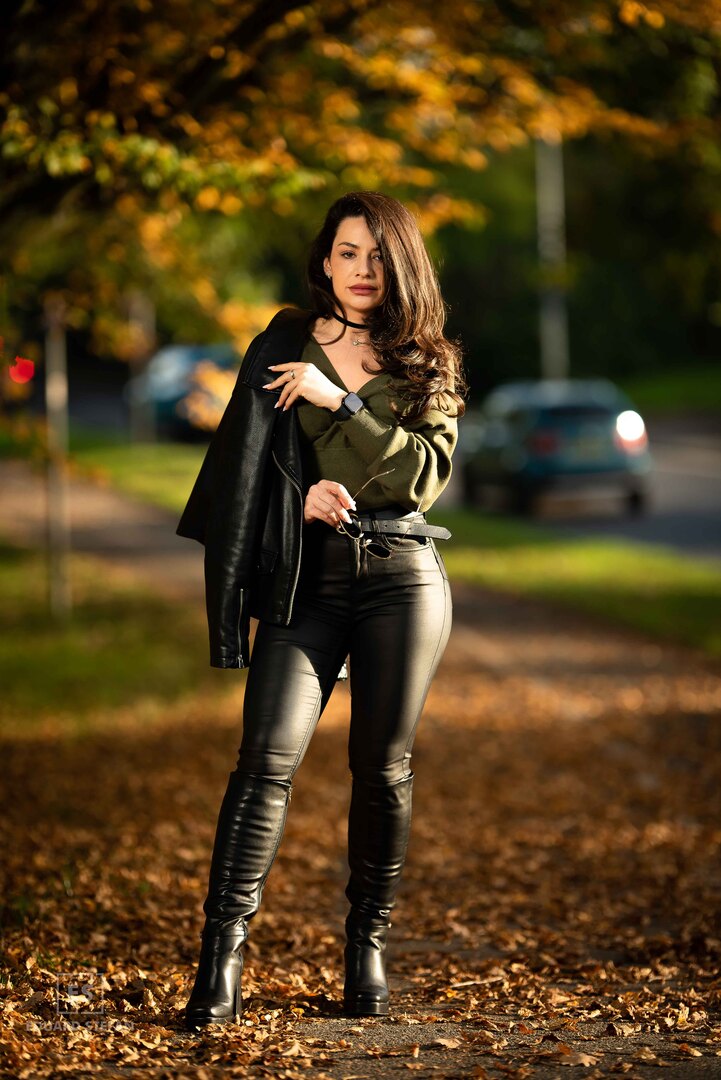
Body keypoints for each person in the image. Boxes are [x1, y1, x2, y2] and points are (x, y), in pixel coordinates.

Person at [181, 190, 467, 1030]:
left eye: (378, 255)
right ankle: (221, 961)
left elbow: (417, 477)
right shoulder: (283, 344)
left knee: (380, 768)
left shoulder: (428, 362)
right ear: (324, 261)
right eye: (348, 253)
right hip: (307, 578)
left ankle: (365, 947)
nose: (362, 271)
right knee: (264, 757)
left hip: (404, 577)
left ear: (400, 264)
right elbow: (246, 469)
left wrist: (333, 400)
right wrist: (300, 495)